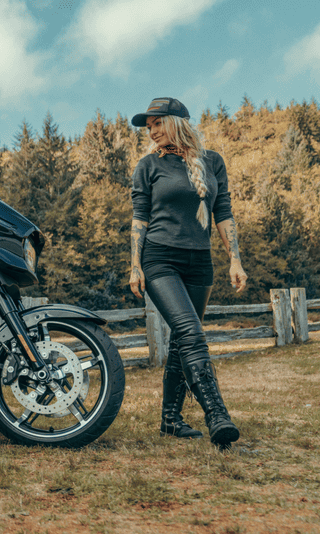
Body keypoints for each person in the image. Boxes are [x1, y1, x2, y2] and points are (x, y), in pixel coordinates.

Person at [128, 97, 248, 448]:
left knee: (182, 342)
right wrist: (135, 264)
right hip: (160, 260)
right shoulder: (149, 165)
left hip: (200, 263)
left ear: (177, 123)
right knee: (191, 332)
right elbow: (140, 218)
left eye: (157, 123)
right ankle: (216, 415)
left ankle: (170, 420)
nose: (151, 131)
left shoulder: (212, 162)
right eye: (148, 127)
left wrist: (235, 259)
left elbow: (222, 212)